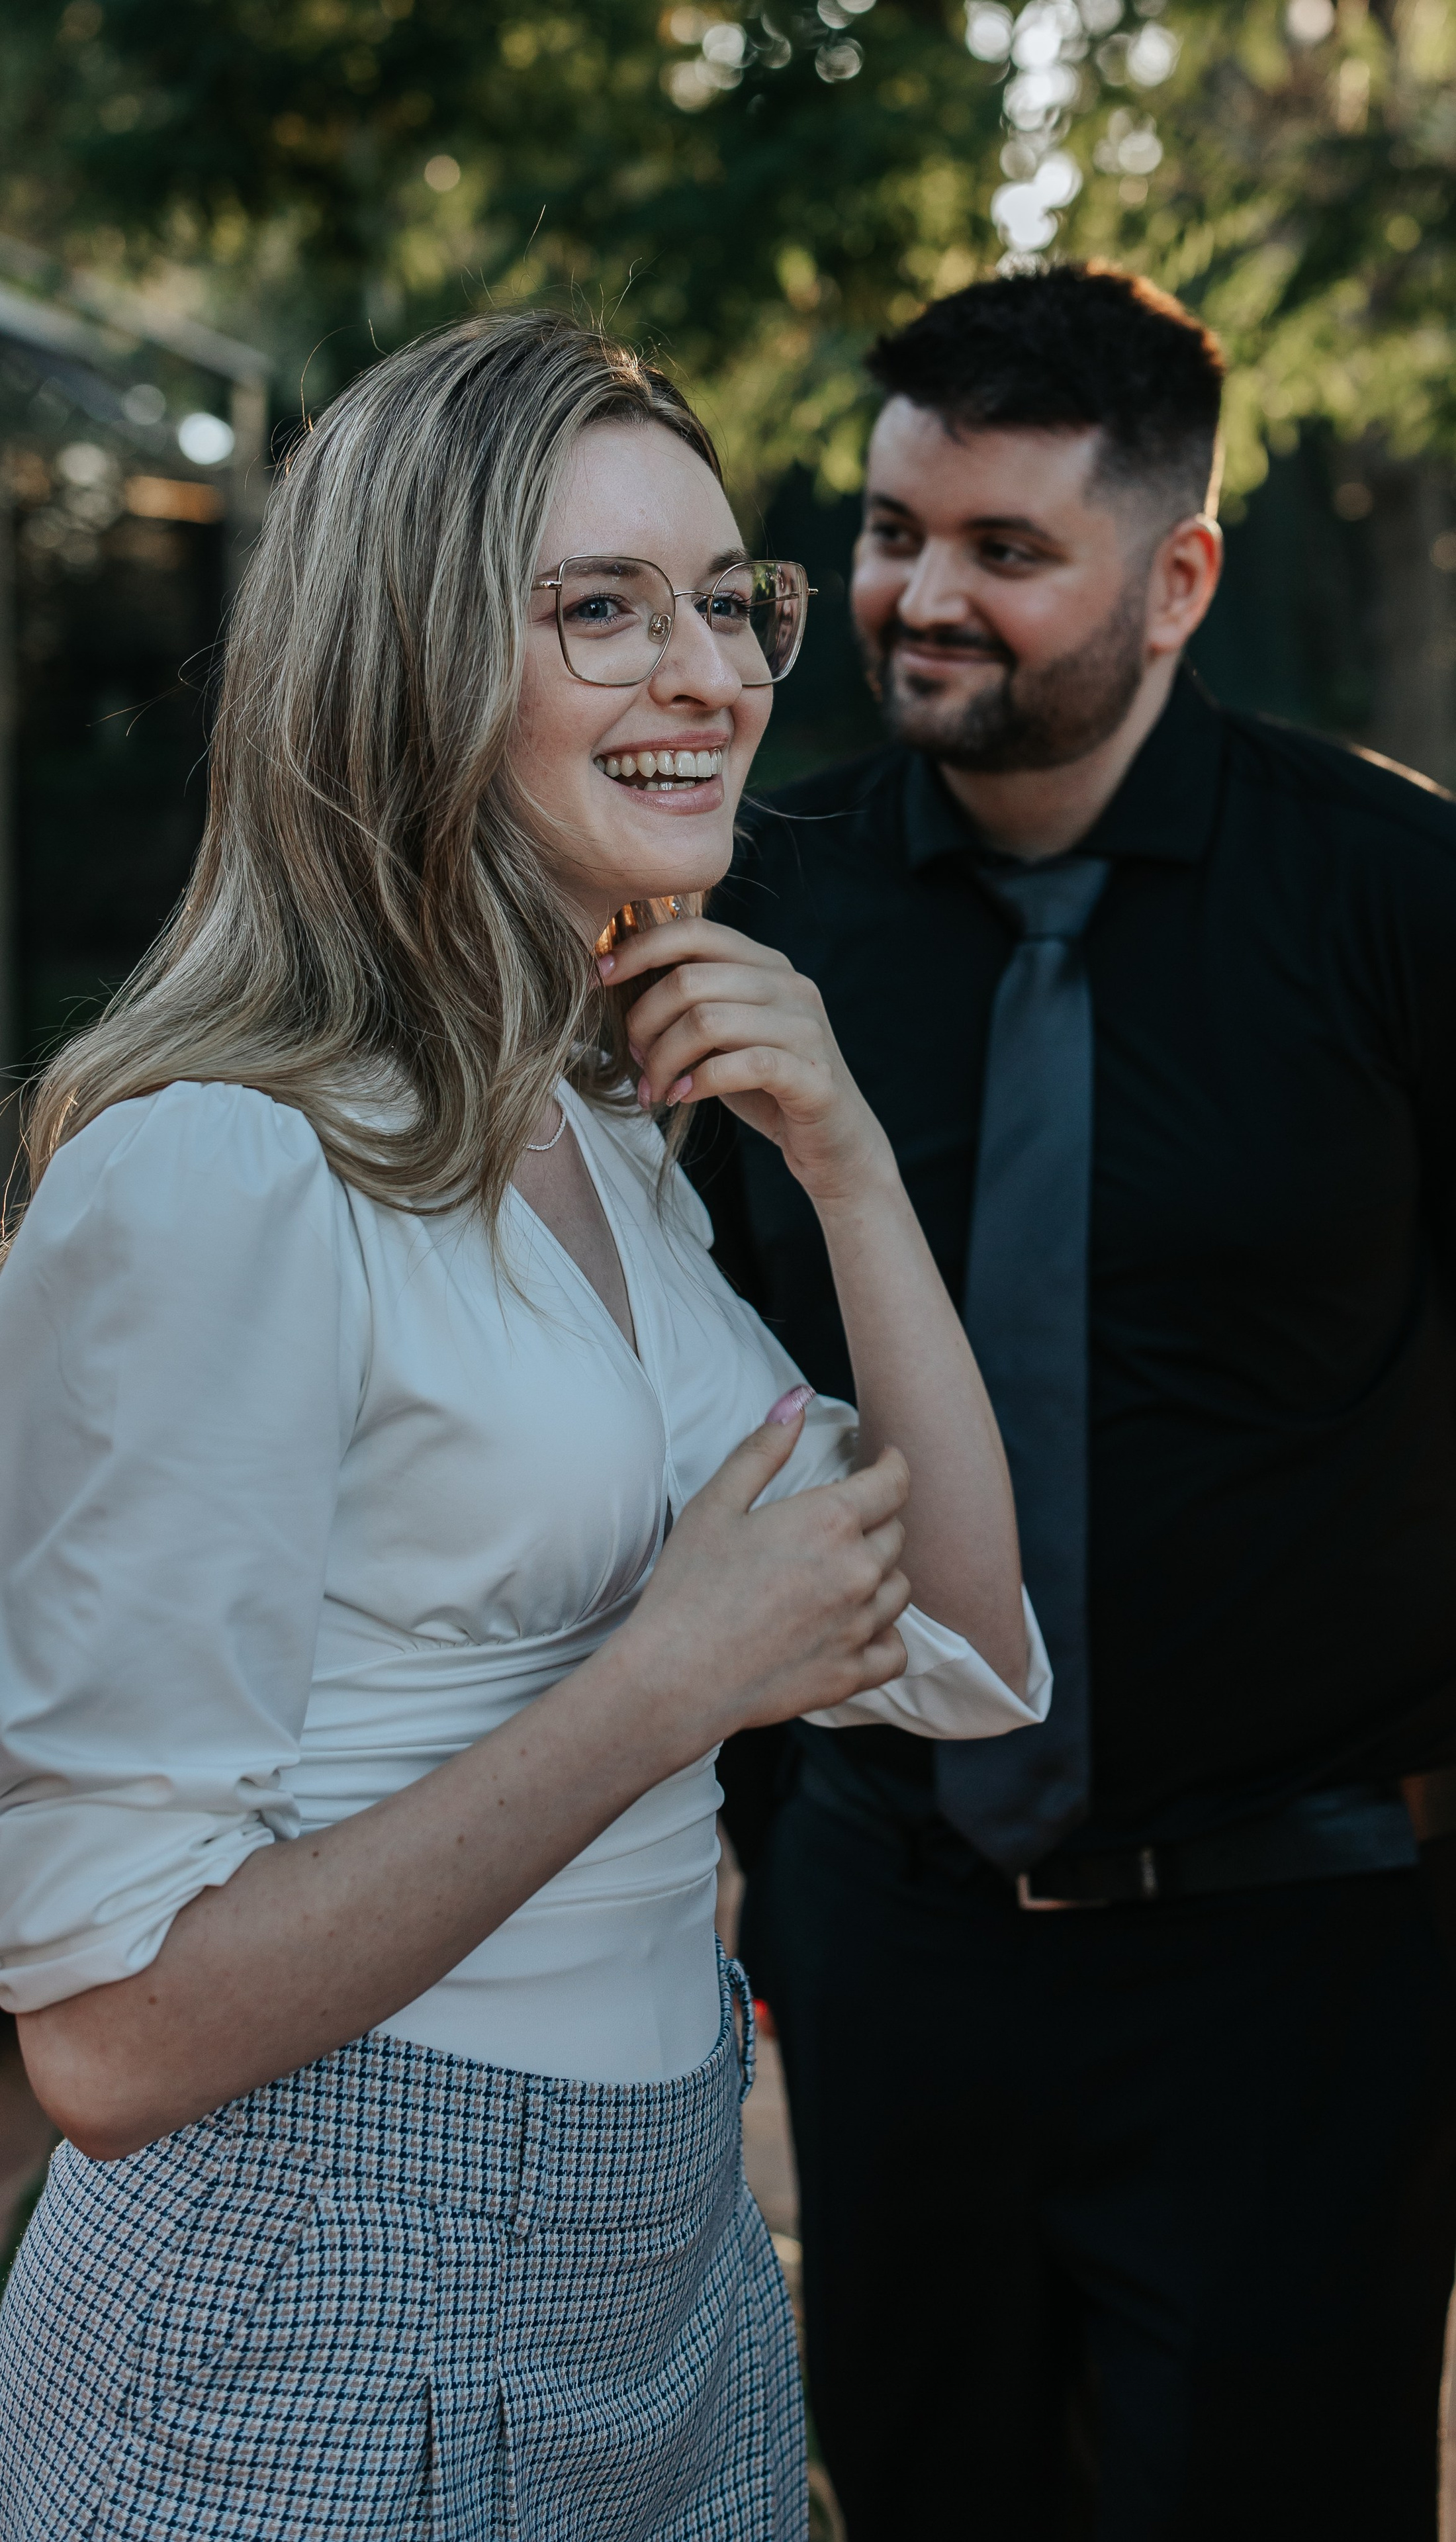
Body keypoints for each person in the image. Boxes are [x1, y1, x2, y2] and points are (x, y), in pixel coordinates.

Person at [0, 310, 1046, 2541]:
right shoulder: (227, 1169)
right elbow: (115, 2037)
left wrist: (854, 1172)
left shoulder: (607, 1135)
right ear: (413, 668)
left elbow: (956, 1630)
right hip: (309, 2299)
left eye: (731, 598)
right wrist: (667, 1686)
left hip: (672, 2266)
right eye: (603, 608)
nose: (714, 670)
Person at [714, 263, 1456, 2542]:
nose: (919, 598)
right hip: (885, 1929)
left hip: (1301, 1957)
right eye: (890, 528)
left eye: (1006, 552)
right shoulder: (764, 903)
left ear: (1181, 570)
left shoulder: (1398, 895)